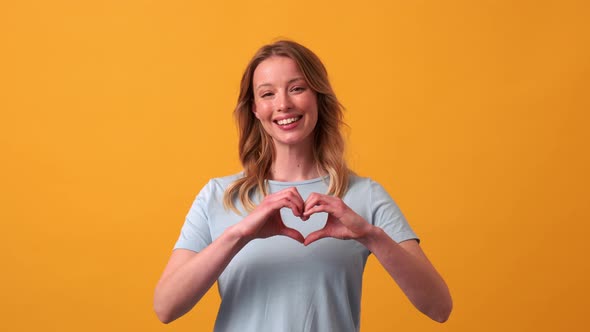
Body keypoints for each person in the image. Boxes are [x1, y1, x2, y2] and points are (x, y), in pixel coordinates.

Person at [154, 40, 452, 331]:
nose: (283, 104)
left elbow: (439, 307)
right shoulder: (219, 196)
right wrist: (241, 234)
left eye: (297, 88)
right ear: (255, 108)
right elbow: (166, 307)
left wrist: (370, 236)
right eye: (267, 94)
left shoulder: (365, 195)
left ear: (318, 98)